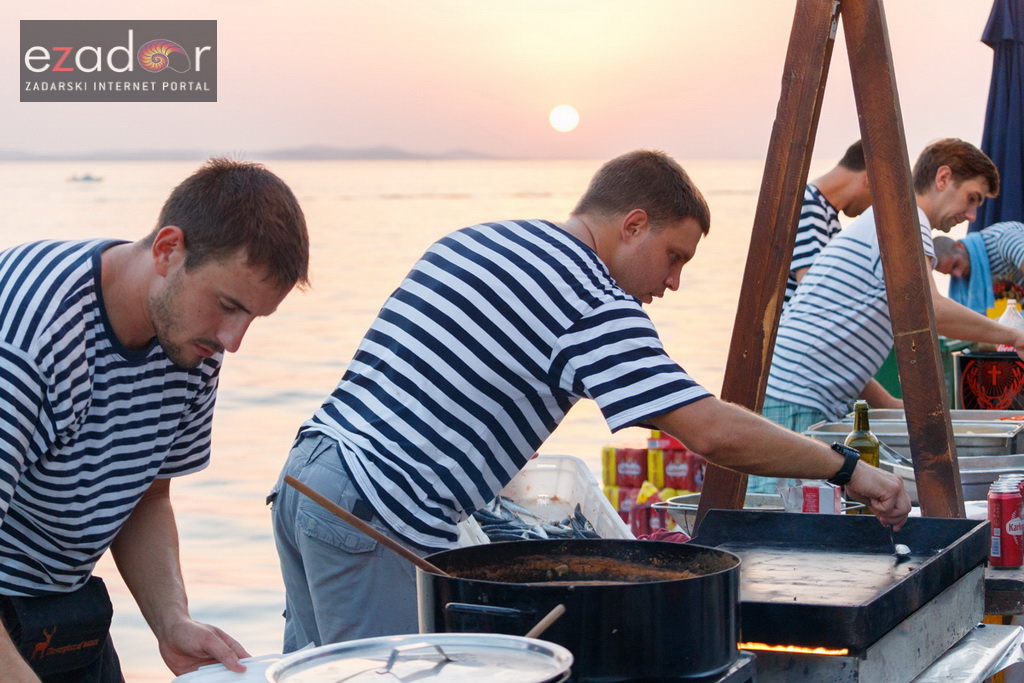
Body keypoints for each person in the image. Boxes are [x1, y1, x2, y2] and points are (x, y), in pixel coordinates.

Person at [269, 149, 911, 651]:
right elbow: (711, 431)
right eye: (672, 256)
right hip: (376, 511)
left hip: (307, 481)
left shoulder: (482, 239)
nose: (674, 282)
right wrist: (850, 470)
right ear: (633, 225)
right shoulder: (589, 297)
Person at [0, 158, 310, 682]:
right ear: (169, 249)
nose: (233, 342)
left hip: (64, 611)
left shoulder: (194, 343)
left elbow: (146, 495)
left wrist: (171, 620)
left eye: (252, 317)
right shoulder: (28, 336)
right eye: (228, 305)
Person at [765, 138, 1024, 429]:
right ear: (943, 178)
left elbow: (842, 332)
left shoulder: (891, 219)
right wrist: (1014, 336)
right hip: (798, 398)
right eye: (972, 198)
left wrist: (888, 404)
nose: (972, 215)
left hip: (797, 394)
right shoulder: (905, 221)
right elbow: (930, 311)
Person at [748, 140, 887, 493]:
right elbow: (824, 302)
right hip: (791, 380)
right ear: (870, 178)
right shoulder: (808, 208)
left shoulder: (826, 216)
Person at [785, 139, 873, 303]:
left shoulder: (824, 212)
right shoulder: (808, 206)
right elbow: (813, 291)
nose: (873, 209)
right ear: (869, 180)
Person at [934, 221, 1024, 315]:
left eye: (955, 265)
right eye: (950, 273)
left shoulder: (1003, 239)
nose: (958, 274)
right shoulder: (966, 272)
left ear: (959, 246)